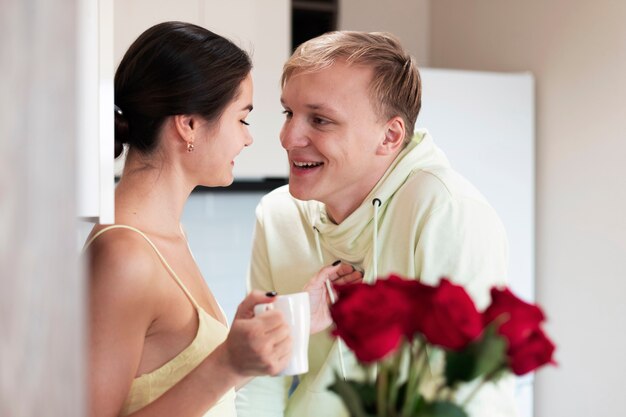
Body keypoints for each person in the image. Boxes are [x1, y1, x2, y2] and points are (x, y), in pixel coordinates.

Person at [235, 31, 519, 417]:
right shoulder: (278, 214)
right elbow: (263, 378)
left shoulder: (445, 211)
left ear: (389, 136)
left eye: (320, 120)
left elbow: (469, 394)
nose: (287, 138)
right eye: (289, 113)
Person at [84, 22, 359, 417]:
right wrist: (226, 363)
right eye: (242, 119)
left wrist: (287, 324)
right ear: (189, 125)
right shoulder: (124, 254)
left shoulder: (167, 234)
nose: (247, 139)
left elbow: (178, 384)